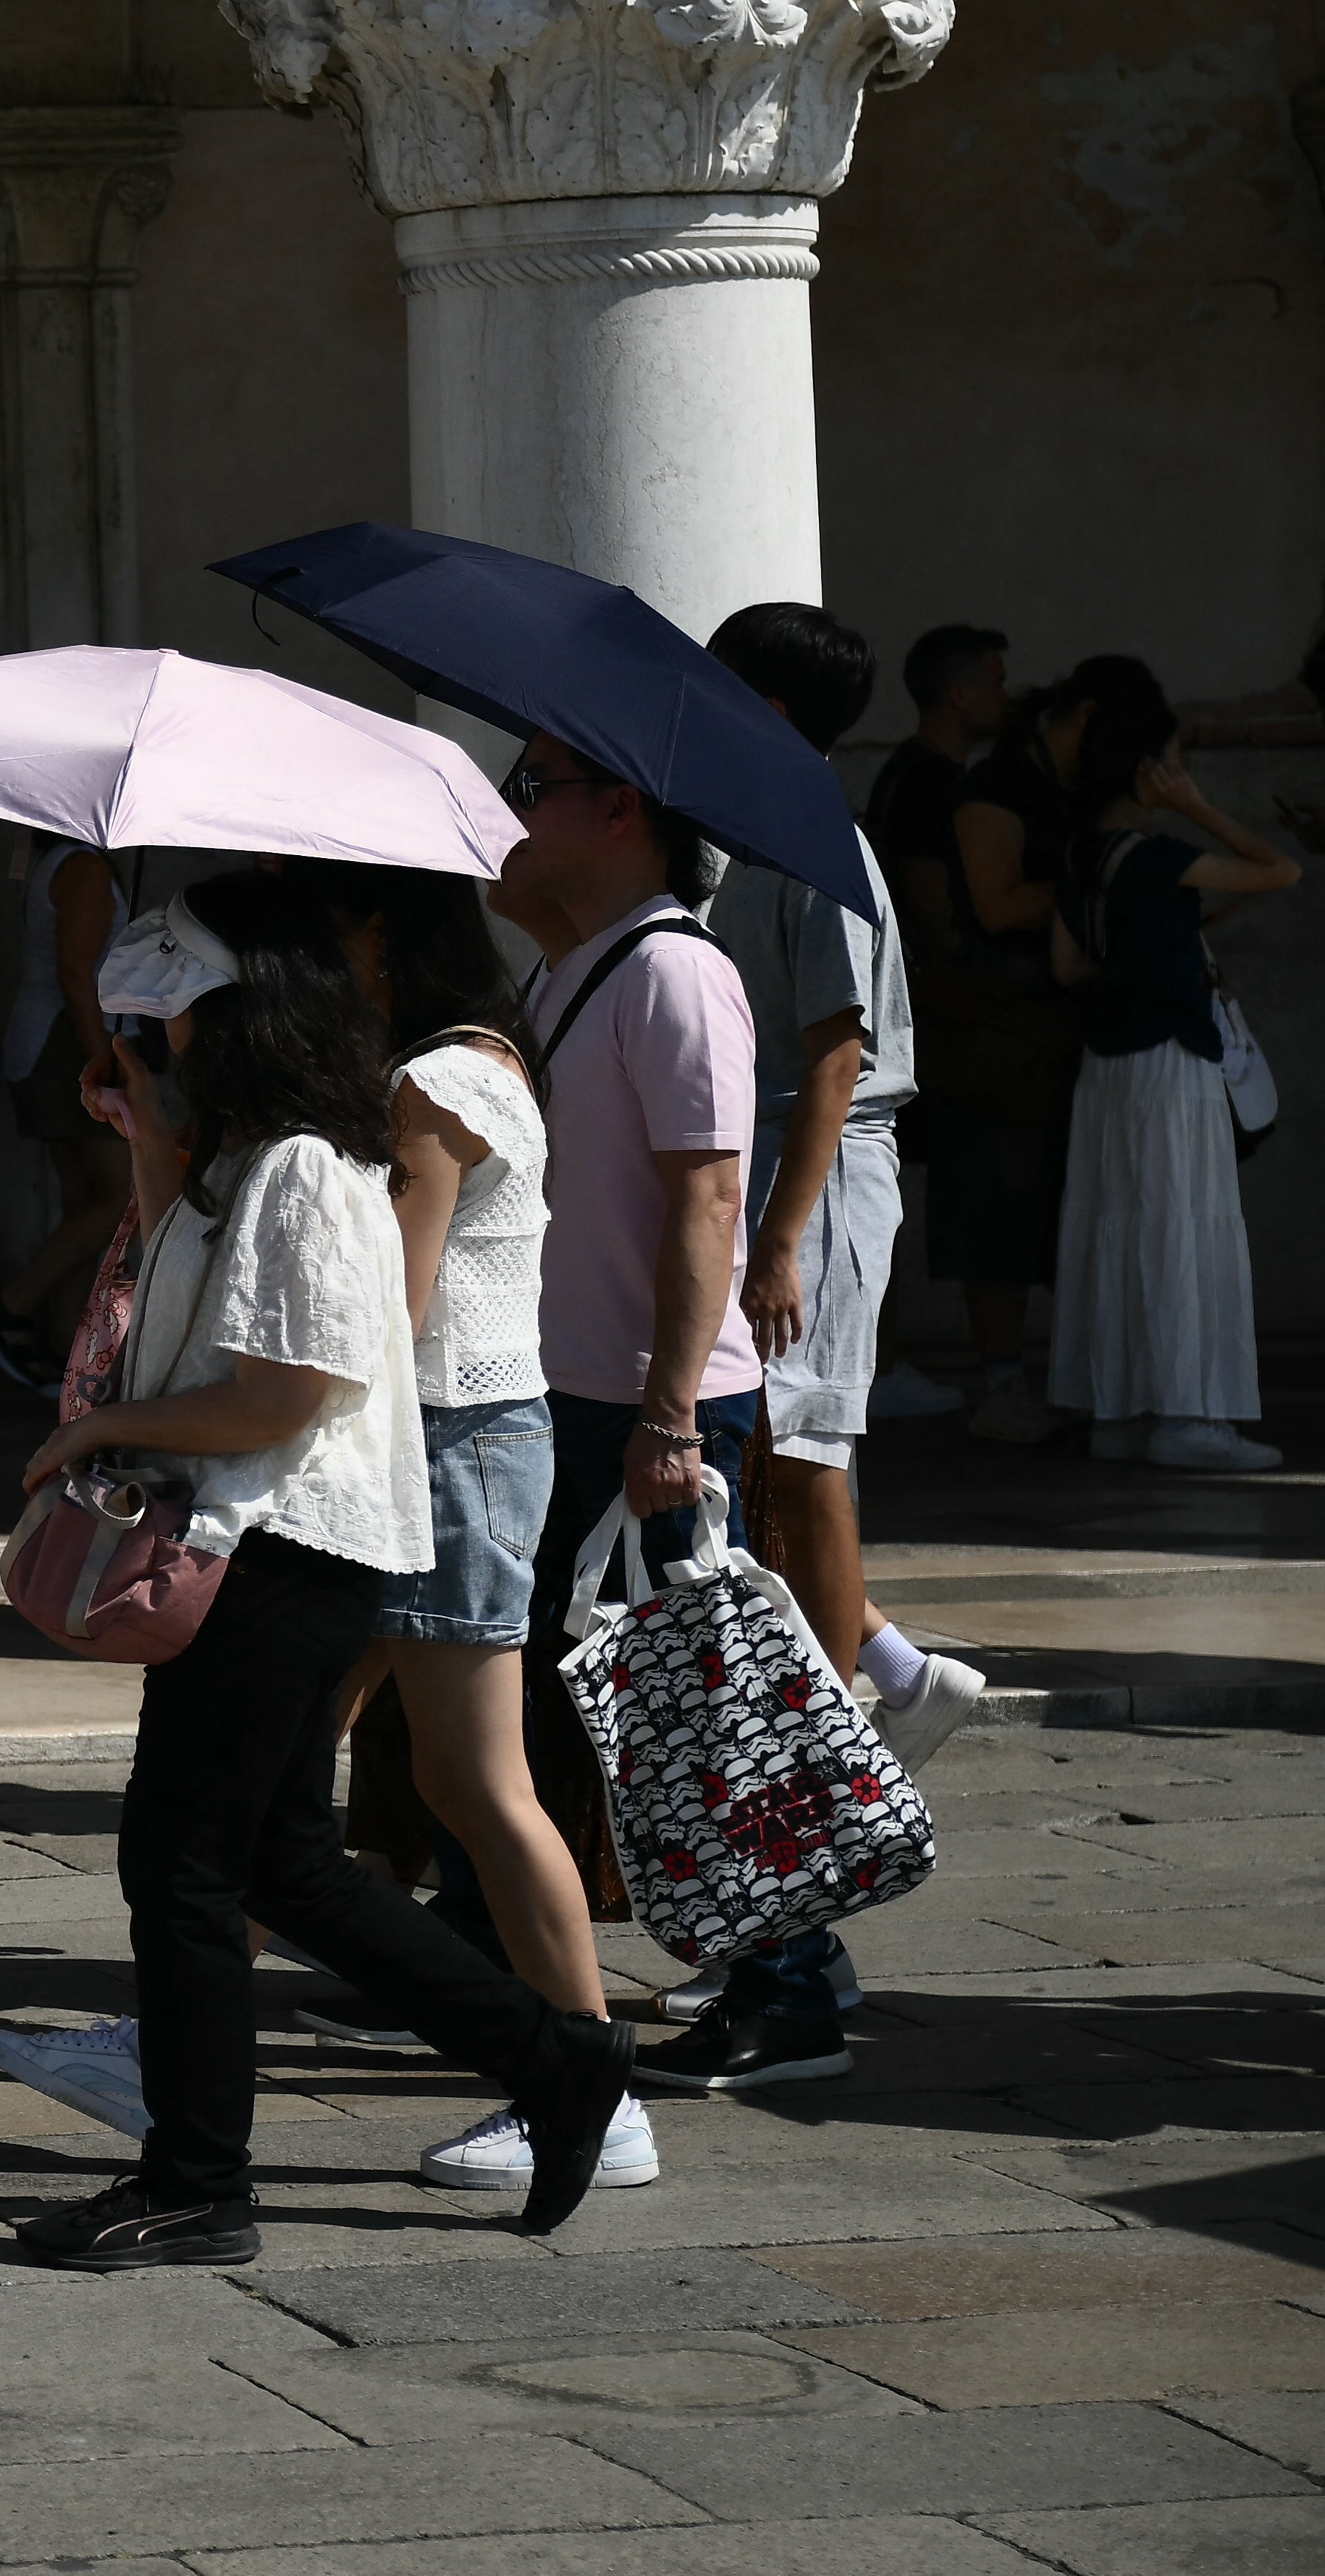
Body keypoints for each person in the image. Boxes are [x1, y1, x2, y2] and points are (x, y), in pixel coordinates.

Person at [0, 889, 644, 2270]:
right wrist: (151, 1135)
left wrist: (103, 1429)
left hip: (288, 1543)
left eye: (158, 1023)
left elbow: (286, 1391)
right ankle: (560, 2058)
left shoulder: (302, 1161)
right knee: (281, 1860)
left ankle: (198, 2179)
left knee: (184, 1863)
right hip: (283, 1541)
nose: (137, 1043)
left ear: (235, 1024)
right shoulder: (248, 1154)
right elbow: (182, 1293)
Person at [494, 725, 841, 2100]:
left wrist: (669, 1415)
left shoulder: (677, 969)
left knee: (700, 1712)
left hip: (647, 1412)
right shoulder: (572, 960)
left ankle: (792, 1989)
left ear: (622, 806)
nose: (514, 810)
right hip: (570, 1391)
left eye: (535, 788)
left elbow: (709, 1197)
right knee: (572, 1703)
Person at [708, 605, 991, 1761]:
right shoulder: (770, 828)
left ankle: (826, 1748)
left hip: (813, 1169)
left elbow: (837, 1058)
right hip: (776, 1164)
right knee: (767, 1451)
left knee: (805, 1449)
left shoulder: (813, 840)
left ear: (764, 710)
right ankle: (894, 1672)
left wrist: (780, 1239)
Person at [1040, 652, 1299, 1473]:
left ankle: (1118, 1410)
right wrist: (1195, 805)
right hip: (1170, 1065)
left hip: (1106, 1071)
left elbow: (1067, 967)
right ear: (1148, 766)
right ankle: (1189, 1415)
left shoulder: (1080, 854)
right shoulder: (1154, 857)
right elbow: (1280, 869)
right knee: (1185, 1226)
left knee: (1116, 1230)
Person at [855, 623, 1013, 1426]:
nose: (1003, 693)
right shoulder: (930, 781)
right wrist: (975, 970)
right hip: (931, 1013)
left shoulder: (915, 774)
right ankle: (873, 1364)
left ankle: (878, 1361)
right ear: (958, 693)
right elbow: (925, 891)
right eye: (993, 679)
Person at [934, 659, 1095, 1447]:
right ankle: (1003, 1378)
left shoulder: (1057, 788)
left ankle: (1059, 1375)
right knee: (997, 1207)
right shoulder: (995, 787)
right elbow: (994, 906)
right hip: (999, 1036)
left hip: (1057, 1030)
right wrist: (1101, 886)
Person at [0, 833, 122, 1388]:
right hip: (64, 1049)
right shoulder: (83, 867)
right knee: (117, 1200)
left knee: (85, 1203)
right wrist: (103, 1061)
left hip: (49, 1046)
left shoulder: (62, 862)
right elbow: (75, 973)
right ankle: (9, 1305)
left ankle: (61, 1338)